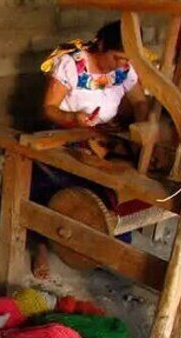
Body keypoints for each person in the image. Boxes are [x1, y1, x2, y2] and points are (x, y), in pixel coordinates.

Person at [34, 20, 149, 278]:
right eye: (117, 57)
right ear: (102, 45)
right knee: (57, 181)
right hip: (64, 134)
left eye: (126, 59)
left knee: (123, 179)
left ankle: (105, 245)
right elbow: (48, 109)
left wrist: (141, 127)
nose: (122, 64)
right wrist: (74, 119)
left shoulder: (124, 69)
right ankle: (41, 243)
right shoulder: (72, 65)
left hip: (100, 136)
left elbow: (140, 102)